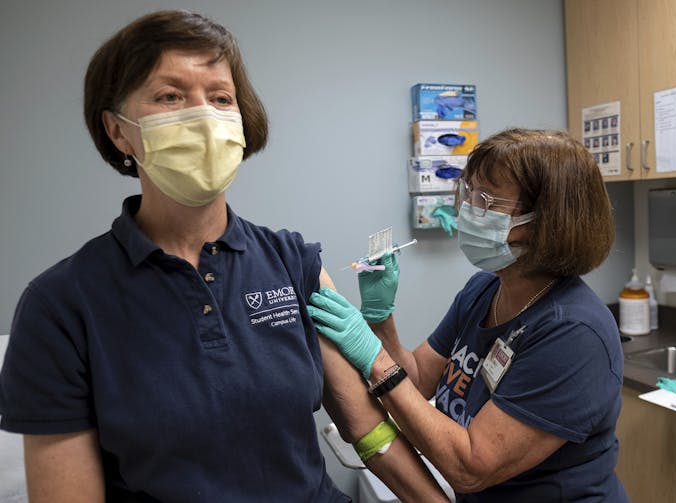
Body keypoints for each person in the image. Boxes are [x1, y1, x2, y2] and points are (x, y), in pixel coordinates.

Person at [0, 10, 450, 503]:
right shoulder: (61, 306)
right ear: (118, 131)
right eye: (170, 96)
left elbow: (369, 432)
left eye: (220, 98)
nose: (204, 117)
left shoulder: (291, 262)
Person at [308, 128, 629, 501]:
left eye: (486, 200)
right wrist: (381, 318)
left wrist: (376, 361)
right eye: (469, 192)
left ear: (546, 222)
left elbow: (471, 467)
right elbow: (419, 380)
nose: (467, 209)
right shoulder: (484, 290)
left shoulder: (574, 333)